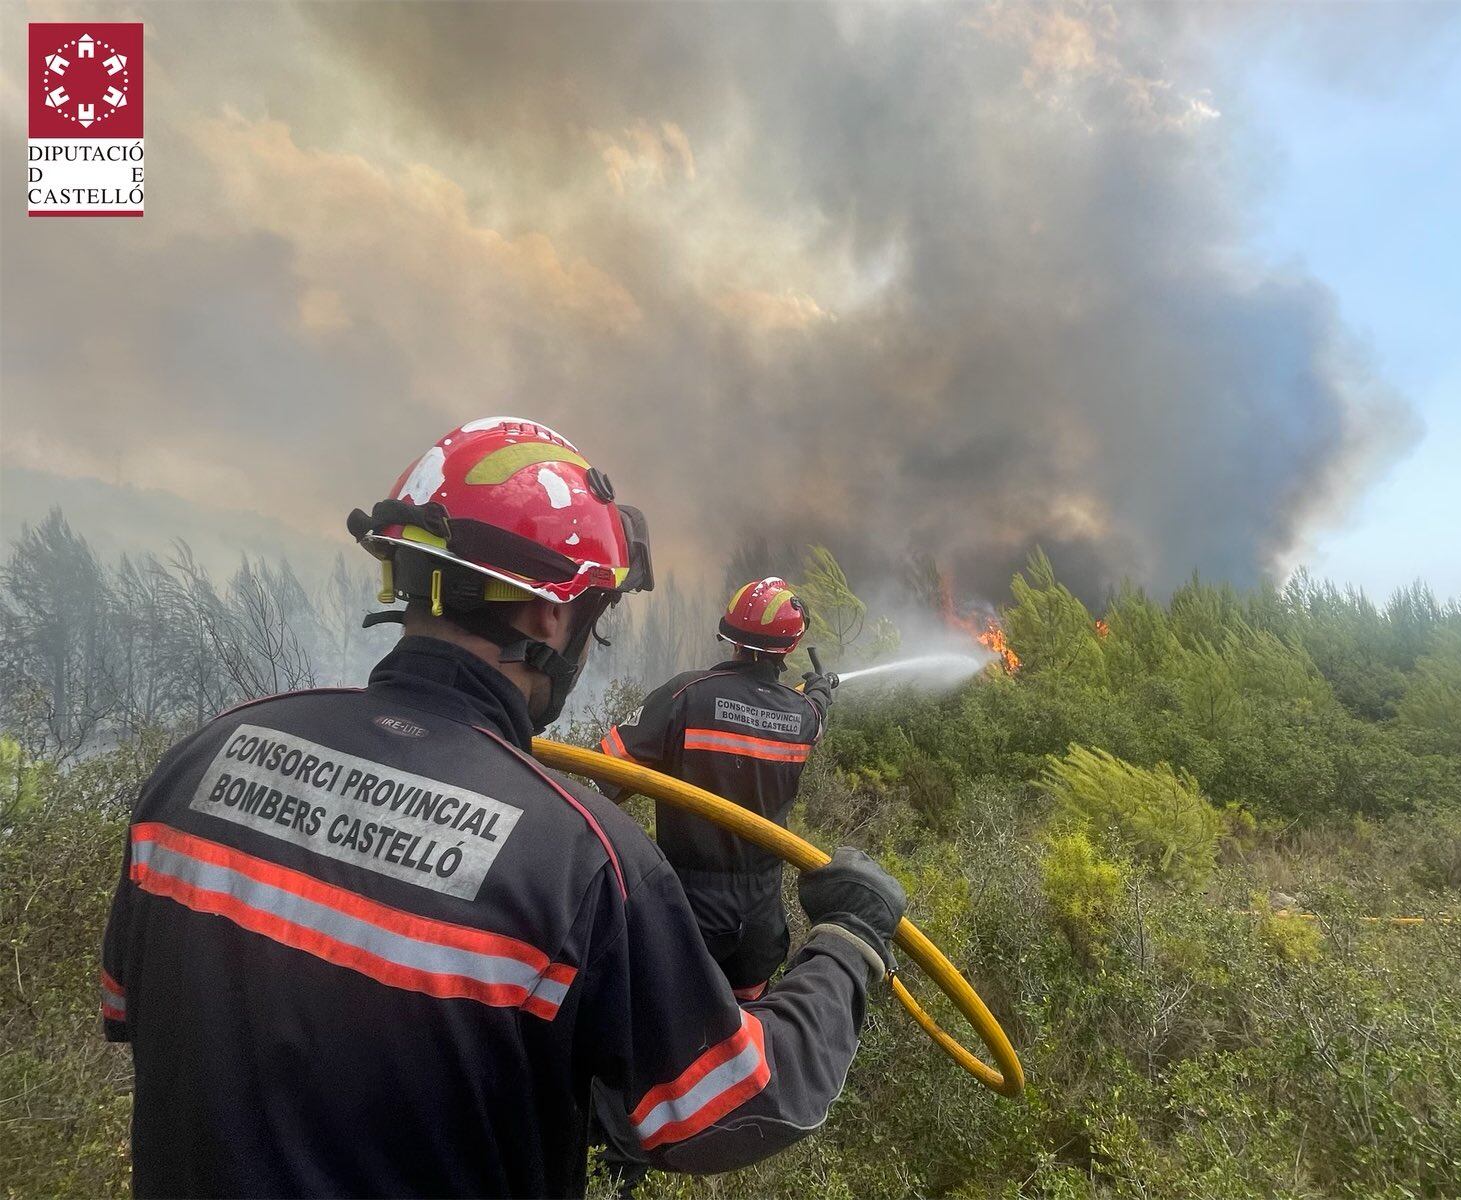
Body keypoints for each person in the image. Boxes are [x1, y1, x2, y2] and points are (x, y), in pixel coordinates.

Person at [98, 418, 905, 1199]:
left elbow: (127, 1010)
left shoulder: (201, 760)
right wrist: (847, 944)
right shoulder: (583, 863)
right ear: (552, 613)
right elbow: (737, 1104)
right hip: (751, 915)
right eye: (598, 618)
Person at [598, 578, 837, 1000]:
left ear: (731, 637)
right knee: (741, 1028)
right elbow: (815, 716)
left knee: (670, 1018)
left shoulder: (686, 694)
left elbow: (607, 771)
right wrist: (820, 691)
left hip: (686, 907)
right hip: (760, 914)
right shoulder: (802, 717)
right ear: (790, 649)